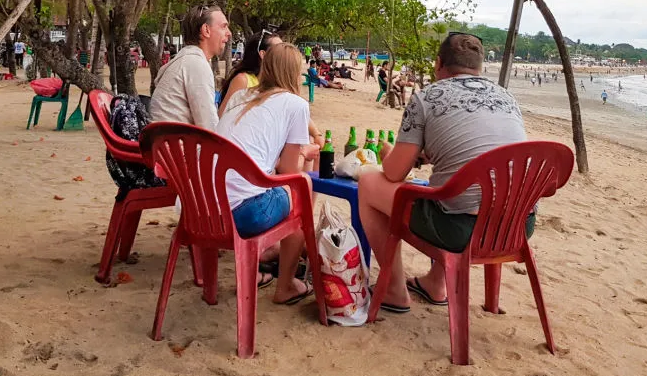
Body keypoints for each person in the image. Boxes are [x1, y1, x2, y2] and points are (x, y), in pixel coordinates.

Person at [358, 32, 528, 312]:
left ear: (438, 63)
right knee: (448, 188)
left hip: (460, 230)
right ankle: (436, 284)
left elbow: (394, 174)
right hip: (518, 225)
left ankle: (394, 289)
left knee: (369, 183)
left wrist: (391, 155)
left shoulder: (427, 98)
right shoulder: (507, 98)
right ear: (479, 67)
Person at [216, 43, 318, 304]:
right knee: (302, 192)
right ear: (295, 73)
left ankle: (279, 255)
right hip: (241, 214)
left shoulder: (240, 96)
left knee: (291, 193)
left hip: (202, 210)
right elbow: (288, 171)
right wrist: (305, 152)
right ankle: (286, 285)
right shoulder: (295, 104)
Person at [149, 5, 231, 129]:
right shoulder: (196, 64)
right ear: (206, 30)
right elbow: (209, 126)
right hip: (179, 146)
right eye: (224, 26)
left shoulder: (186, 60)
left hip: (166, 144)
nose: (229, 33)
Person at [218, 30, 282, 116]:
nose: (283, 53)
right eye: (279, 49)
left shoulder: (276, 81)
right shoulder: (243, 80)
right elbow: (222, 115)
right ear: (263, 54)